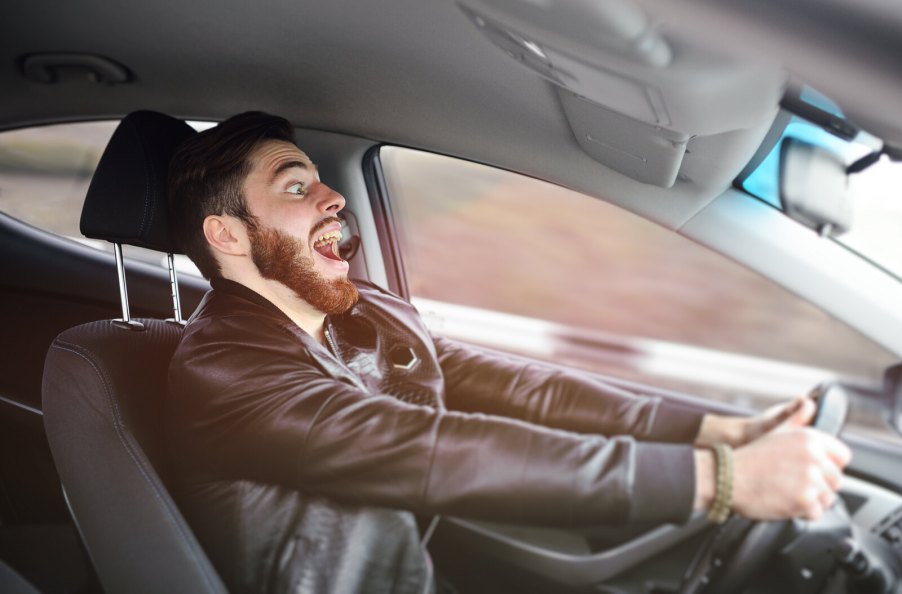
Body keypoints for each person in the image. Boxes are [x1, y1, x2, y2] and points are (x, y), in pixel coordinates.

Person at [165, 111, 852, 594]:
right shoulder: (224, 371)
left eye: (321, 180)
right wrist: (720, 480)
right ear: (227, 235)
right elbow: (435, 451)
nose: (335, 198)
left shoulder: (357, 314)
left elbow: (524, 387)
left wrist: (711, 430)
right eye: (296, 186)